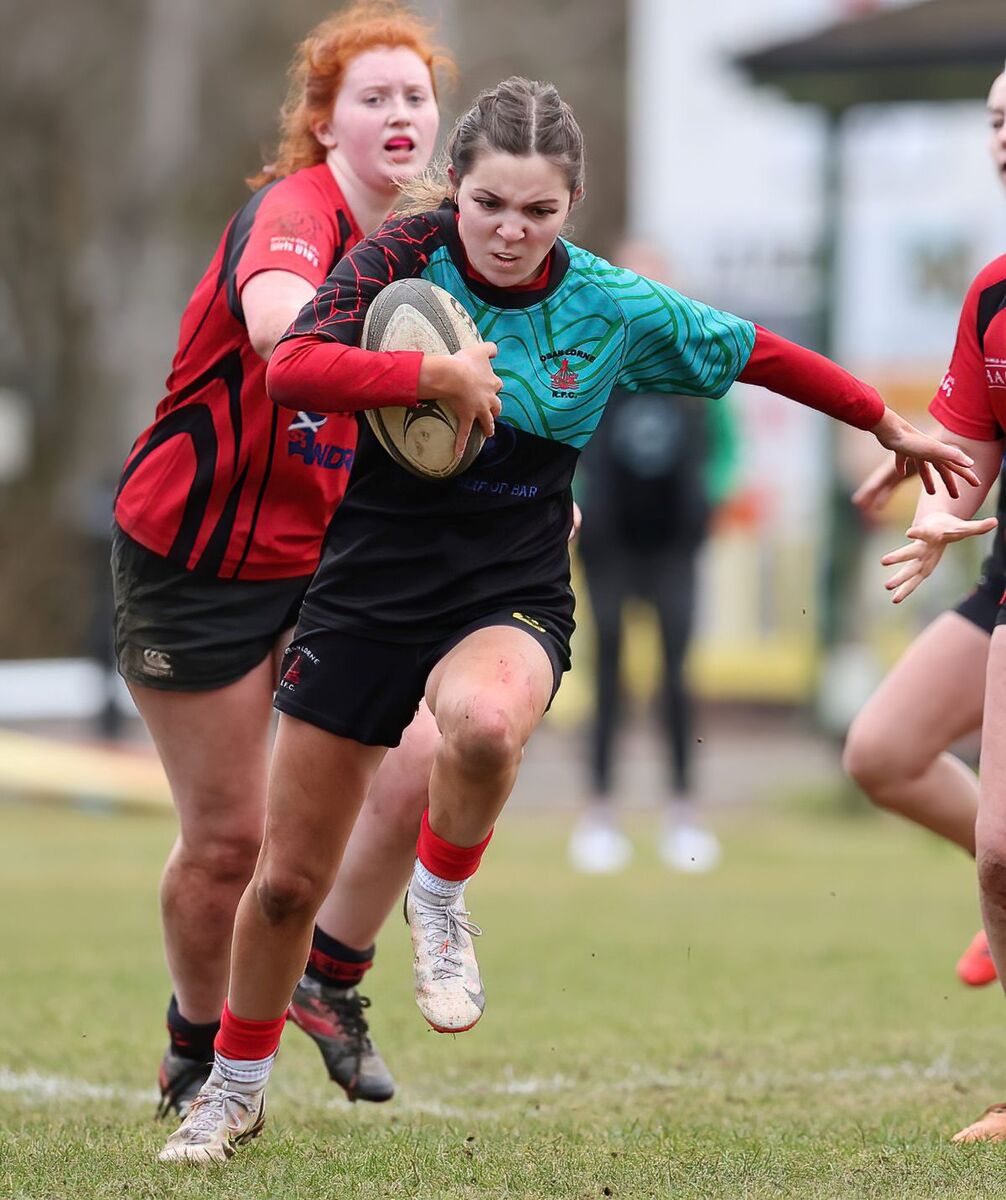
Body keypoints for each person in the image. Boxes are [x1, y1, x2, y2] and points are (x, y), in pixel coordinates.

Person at [156, 75, 979, 1164]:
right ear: (456, 188)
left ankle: (440, 901)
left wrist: (886, 420)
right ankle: (234, 1086)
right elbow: (292, 366)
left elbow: (756, 353)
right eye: (490, 203)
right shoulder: (399, 261)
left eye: (537, 212)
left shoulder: (608, 303)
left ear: (571, 205)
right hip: (365, 592)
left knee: (488, 726)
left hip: (509, 591)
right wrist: (431, 373)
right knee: (288, 886)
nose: (508, 231)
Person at [111, 0, 452, 1117]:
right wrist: (430, 374)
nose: (400, 114)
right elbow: (280, 337)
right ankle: (193, 1043)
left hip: (330, 560)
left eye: (415, 96)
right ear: (325, 123)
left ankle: (327, 975)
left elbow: (443, 428)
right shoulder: (291, 213)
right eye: (374, 97)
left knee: (429, 756)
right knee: (227, 846)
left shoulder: (434, 246)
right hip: (197, 552)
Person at [842, 66, 1006, 990]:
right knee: (883, 751)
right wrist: (937, 497)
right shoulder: (991, 293)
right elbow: (972, 448)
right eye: (994, 121)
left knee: (1003, 851)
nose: (1004, 138)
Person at [569, 239, 738, 875]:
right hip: (608, 544)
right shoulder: (588, 359)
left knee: (677, 674)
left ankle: (683, 812)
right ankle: (600, 812)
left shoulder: (699, 364)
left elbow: (728, 448)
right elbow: (567, 448)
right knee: (606, 670)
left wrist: (710, 500)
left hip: (674, 543)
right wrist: (578, 503)